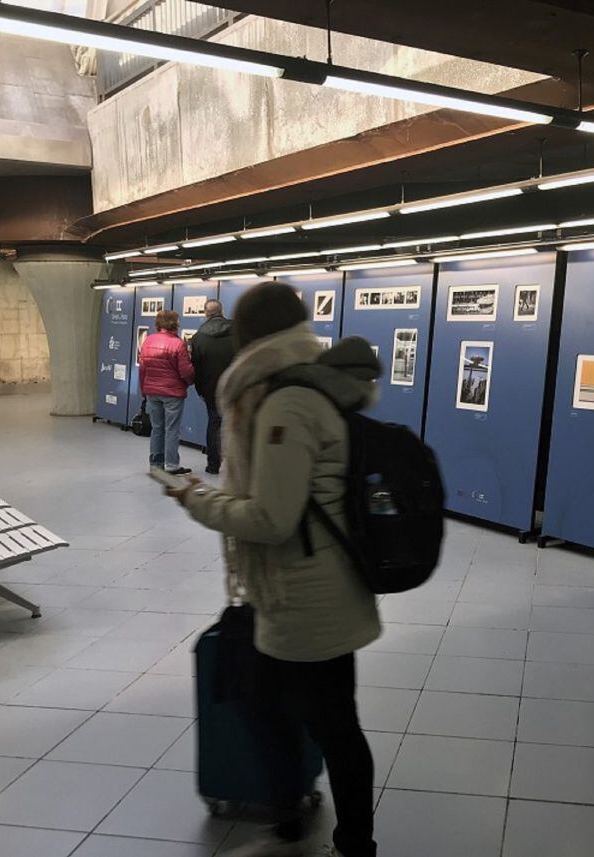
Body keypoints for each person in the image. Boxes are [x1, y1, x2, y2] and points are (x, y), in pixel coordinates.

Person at [167, 282, 381, 857]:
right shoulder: (307, 381)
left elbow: (271, 518)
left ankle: (349, 839)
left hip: (306, 595)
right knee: (290, 711)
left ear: (250, 336)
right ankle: (293, 812)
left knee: (325, 723)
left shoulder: (286, 400)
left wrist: (195, 500)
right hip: (308, 586)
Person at [139, 309, 194, 476]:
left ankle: (155, 465)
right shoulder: (178, 344)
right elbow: (186, 371)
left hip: (152, 391)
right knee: (171, 429)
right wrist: (191, 381)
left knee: (157, 428)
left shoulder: (148, 341)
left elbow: (143, 369)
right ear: (175, 323)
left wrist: (144, 389)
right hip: (172, 393)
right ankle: (171, 465)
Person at [189, 299, 236, 475]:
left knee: (214, 424)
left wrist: (200, 390)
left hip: (211, 389)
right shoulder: (237, 332)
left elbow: (196, 368)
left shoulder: (198, 337)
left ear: (205, 314)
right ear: (222, 311)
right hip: (235, 387)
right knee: (236, 425)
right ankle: (236, 467)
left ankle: (213, 465)